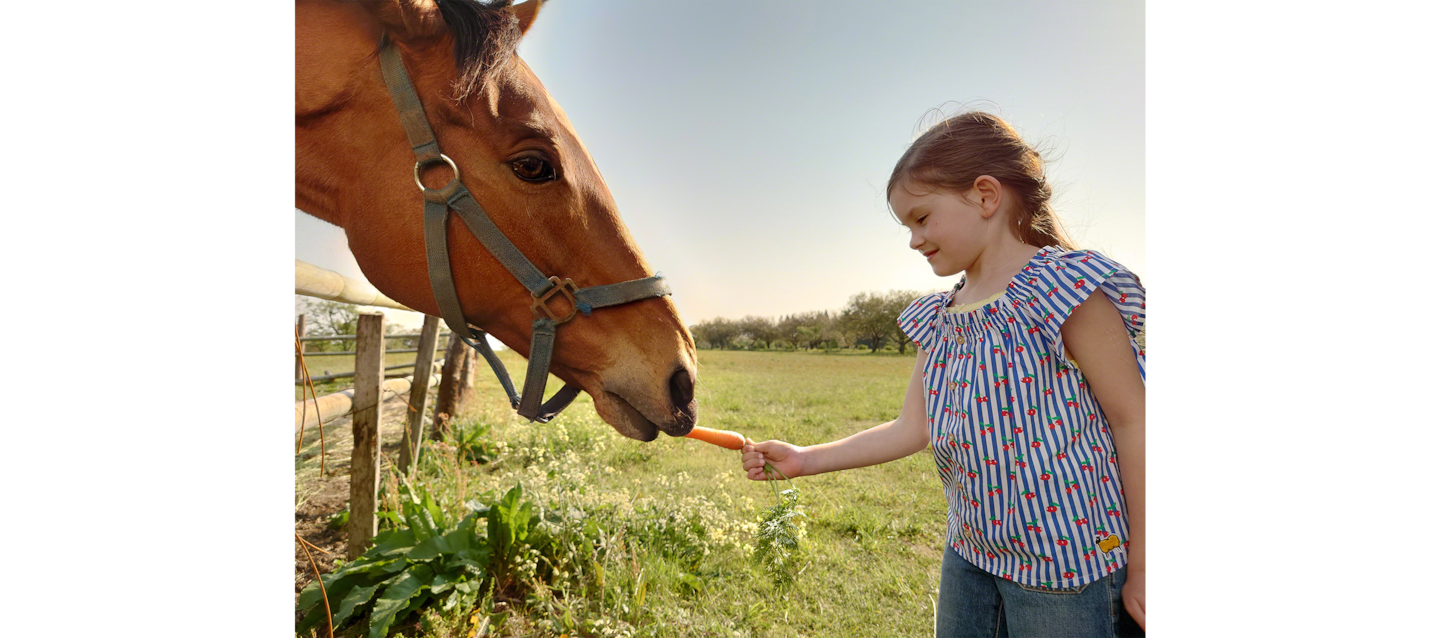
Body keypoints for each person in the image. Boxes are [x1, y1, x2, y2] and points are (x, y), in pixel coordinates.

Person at [741, 110, 1147, 637]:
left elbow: (1134, 421)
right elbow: (913, 427)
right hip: (971, 554)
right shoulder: (942, 314)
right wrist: (803, 459)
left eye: (921, 218)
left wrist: (1141, 564)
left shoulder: (1062, 289)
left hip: (1067, 563)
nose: (913, 239)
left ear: (984, 196)